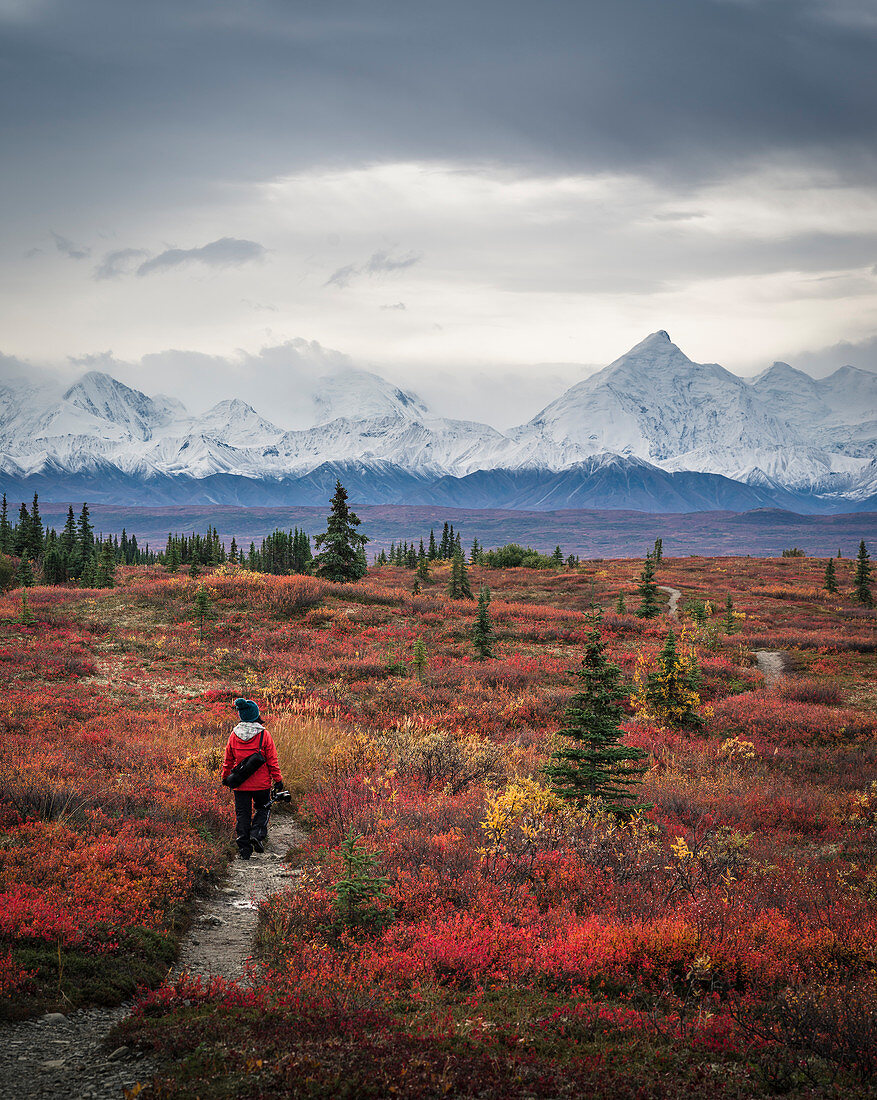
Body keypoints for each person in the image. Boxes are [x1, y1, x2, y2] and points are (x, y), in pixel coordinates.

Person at [222, 697, 284, 860]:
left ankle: (244, 849)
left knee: (242, 814)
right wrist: (278, 780)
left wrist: (225, 777)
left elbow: (228, 759)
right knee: (263, 809)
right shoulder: (265, 735)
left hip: (240, 784)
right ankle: (256, 833)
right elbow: (272, 760)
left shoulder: (234, 735)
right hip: (262, 784)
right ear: (256, 714)